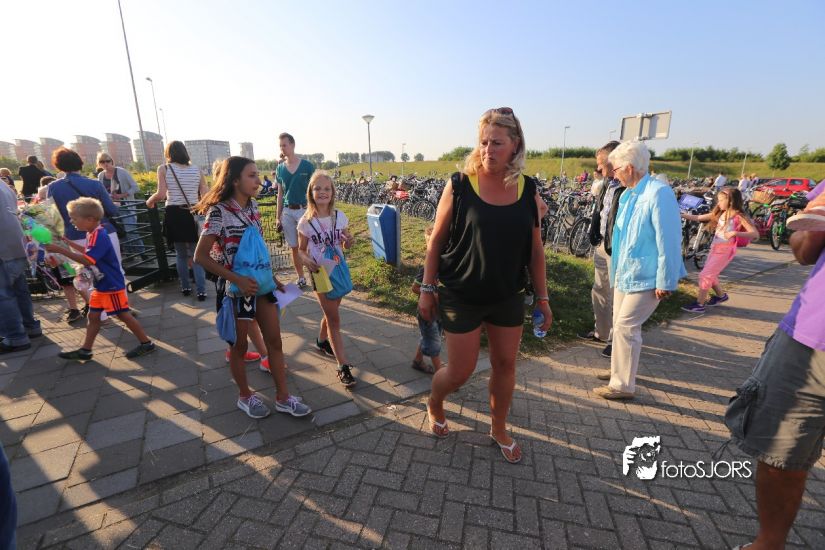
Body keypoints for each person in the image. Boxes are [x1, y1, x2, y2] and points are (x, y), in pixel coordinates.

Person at [419, 107, 552, 464]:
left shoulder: (528, 188)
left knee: (506, 365)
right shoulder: (461, 184)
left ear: (515, 145)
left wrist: (543, 298)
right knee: (459, 372)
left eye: (497, 143)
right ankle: (435, 401)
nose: (487, 150)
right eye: (483, 142)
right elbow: (436, 241)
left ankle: (499, 427)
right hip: (461, 294)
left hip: (507, 294)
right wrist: (427, 290)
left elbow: (535, 250)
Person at [723, 223, 825, 550]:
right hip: (812, 335)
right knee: (780, 451)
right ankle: (768, 544)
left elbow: (804, 246)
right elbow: (806, 246)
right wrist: (808, 231)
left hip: (811, 339)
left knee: (783, 450)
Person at [194, 156, 310, 419]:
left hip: (263, 288)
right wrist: (236, 280)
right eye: (252, 175)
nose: (259, 181)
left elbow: (258, 249)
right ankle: (245, 396)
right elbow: (200, 256)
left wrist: (274, 279)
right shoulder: (218, 212)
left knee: (275, 343)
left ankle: (283, 398)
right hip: (238, 293)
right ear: (235, 180)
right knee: (239, 348)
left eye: (257, 175)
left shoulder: (253, 207)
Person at [593, 141, 685, 400]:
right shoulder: (629, 194)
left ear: (630, 168)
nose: (614, 175)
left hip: (647, 276)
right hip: (626, 273)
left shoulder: (658, 193)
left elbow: (668, 240)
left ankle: (623, 386)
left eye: (616, 169)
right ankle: (618, 372)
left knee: (626, 327)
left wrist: (666, 280)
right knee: (620, 325)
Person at [47, 198, 156, 360]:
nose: (71, 221)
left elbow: (88, 260)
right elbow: (88, 251)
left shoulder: (99, 236)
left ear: (89, 219)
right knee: (93, 316)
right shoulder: (93, 233)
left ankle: (146, 343)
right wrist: (68, 243)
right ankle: (86, 350)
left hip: (111, 285)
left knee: (123, 315)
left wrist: (60, 250)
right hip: (102, 285)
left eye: (74, 218)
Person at [47, 147, 121, 324]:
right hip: (103, 231)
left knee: (88, 274)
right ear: (79, 163)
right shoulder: (94, 184)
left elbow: (52, 217)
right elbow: (111, 210)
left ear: (58, 165)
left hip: (73, 234)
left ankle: (100, 314)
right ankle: (119, 308)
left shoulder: (53, 187)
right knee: (114, 268)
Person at [297, 171, 357, 388]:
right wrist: (307, 261)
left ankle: (322, 341)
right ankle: (343, 366)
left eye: (326, 188)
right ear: (310, 193)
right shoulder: (305, 222)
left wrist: (349, 240)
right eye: (317, 188)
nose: (322, 192)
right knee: (334, 319)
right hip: (320, 274)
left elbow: (345, 243)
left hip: (338, 270)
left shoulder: (339, 217)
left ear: (332, 192)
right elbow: (300, 251)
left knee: (331, 312)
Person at [579, 141, 624, 367]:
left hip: (617, 249)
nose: (598, 169)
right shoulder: (607, 183)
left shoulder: (627, 187)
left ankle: (617, 340)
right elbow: (601, 211)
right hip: (602, 245)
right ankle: (601, 332)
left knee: (618, 296)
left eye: (601, 164)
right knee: (599, 289)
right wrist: (594, 232)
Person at [681, 188, 759, 313]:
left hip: (725, 251)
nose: (719, 203)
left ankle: (700, 304)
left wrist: (735, 233)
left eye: (721, 200)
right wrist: (682, 215)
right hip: (715, 249)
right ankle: (721, 296)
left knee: (705, 275)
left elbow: (755, 234)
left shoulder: (739, 216)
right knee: (711, 274)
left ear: (731, 201)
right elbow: (699, 217)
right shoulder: (721, 213)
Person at [147, 141, 208, 300]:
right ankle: (201, 290)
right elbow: (205, 193)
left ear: (168, 153)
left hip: (174, 213)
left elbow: (161, 194)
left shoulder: (164, 169)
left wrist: (149, 201)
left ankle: (185, 287)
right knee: (196, 254)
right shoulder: (197, 169)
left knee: (180, 255)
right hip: (193, 212)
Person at [0, 181, 42, 353]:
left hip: (3, 249)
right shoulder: (2, 184)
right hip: (18, 244)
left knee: (4, 295)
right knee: (20, 289)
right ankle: (30, 326)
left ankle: (15, 337)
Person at [276, 133, 315, 288]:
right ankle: (301, 277)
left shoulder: (307, 166)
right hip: (287, 211)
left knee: (309, 246)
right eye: (280, 146)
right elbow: (280, 194)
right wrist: (277, 216)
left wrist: (315, 211)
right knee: (294, 247)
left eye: (284, 145)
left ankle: (315, 275)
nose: (282, 148)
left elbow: (314, 190)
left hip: (304, 210)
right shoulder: (280, 168)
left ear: (292, 145)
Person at [97, 152, 143, 255]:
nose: (105, 163)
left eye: (107, 161)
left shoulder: (122, 172)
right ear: (99, 163)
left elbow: (135, 187)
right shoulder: (101, 175)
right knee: (120, 232)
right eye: (102, 162)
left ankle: (143, 254)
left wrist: (122, 195)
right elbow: (102, 191)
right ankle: (129, 254)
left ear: (112, 161)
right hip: (111, 208)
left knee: (131, 231)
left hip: (125, 206)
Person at [411, 226, 443, 374]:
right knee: (434, 342)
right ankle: (440, 372)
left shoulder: (444, 265)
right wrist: (432, 294)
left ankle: (418, 361)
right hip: (427, 312)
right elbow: (415, 288)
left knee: (429, 336)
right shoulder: (426, 268)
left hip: (439, 311)